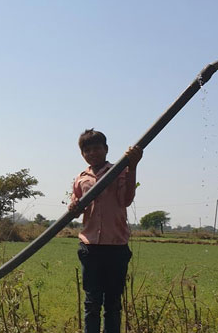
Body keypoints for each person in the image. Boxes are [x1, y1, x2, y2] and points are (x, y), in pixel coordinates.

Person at [69, 128, 143, 333]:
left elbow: (125, 200)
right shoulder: (80, 178)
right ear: (82, 154)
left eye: (96, 148)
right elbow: (76, 209)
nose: (92, 153)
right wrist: (72, 207)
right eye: (87, 150)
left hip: (116, 248)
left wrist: (133, 166)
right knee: (92, 303)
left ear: (106, 149)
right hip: (90, 248)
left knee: (113, 304)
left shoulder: (119, 171)